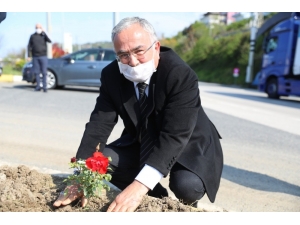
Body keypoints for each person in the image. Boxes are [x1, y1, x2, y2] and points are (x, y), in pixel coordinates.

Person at [53, 17, 223, 212]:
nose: (132, 62)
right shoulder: (111, 75)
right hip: (144, 138)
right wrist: (80, 177)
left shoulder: (180, 75)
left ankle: (187, 209)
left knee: (186, 186)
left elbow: (175, 135)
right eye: (123, 55)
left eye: (139, 51)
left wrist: (139, 186)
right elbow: (99, 124)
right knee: (103, 162)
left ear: (156, 47)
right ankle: (156, 197)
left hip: (188, 139)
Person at [27, 23, 51, 93]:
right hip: (35, 57)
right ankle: (38, 87)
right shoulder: (32, 36)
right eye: (37, 27)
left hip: (43, 56)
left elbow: (50, 40)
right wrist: (29, 55)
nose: (38, 29)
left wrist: (44, 32)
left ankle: (45, 87)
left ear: (41, 28)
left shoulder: (43, 35)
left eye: (39, 27)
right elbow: (29, 46)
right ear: (35, 28)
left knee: (44, 72)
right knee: (36, 72)